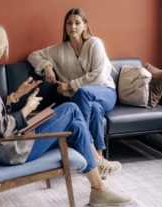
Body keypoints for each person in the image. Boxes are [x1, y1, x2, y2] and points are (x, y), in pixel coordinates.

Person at [0, 21, 132, 206]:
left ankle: (99, 191)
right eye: (4, 47)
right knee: (71, 109)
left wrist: (16, 96)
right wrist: (27, 109)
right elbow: (0, 127)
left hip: (15, 139)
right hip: (12, 148)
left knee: (77, 126)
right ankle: (98, 160)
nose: (4, 50)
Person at [28, 8, 117, 163]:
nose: (73, 27)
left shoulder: (94, 43)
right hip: (85, 99)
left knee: (82, 93)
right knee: (95, 108)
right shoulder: (59, 50)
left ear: (85, 26)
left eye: (77, 22)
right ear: (65, 27)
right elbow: (34, 55)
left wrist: (70, 85)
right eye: (69, 23)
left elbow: (99, 76)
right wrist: (47, 66)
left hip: (106, 92)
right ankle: (99, 160)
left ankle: (86, 149)